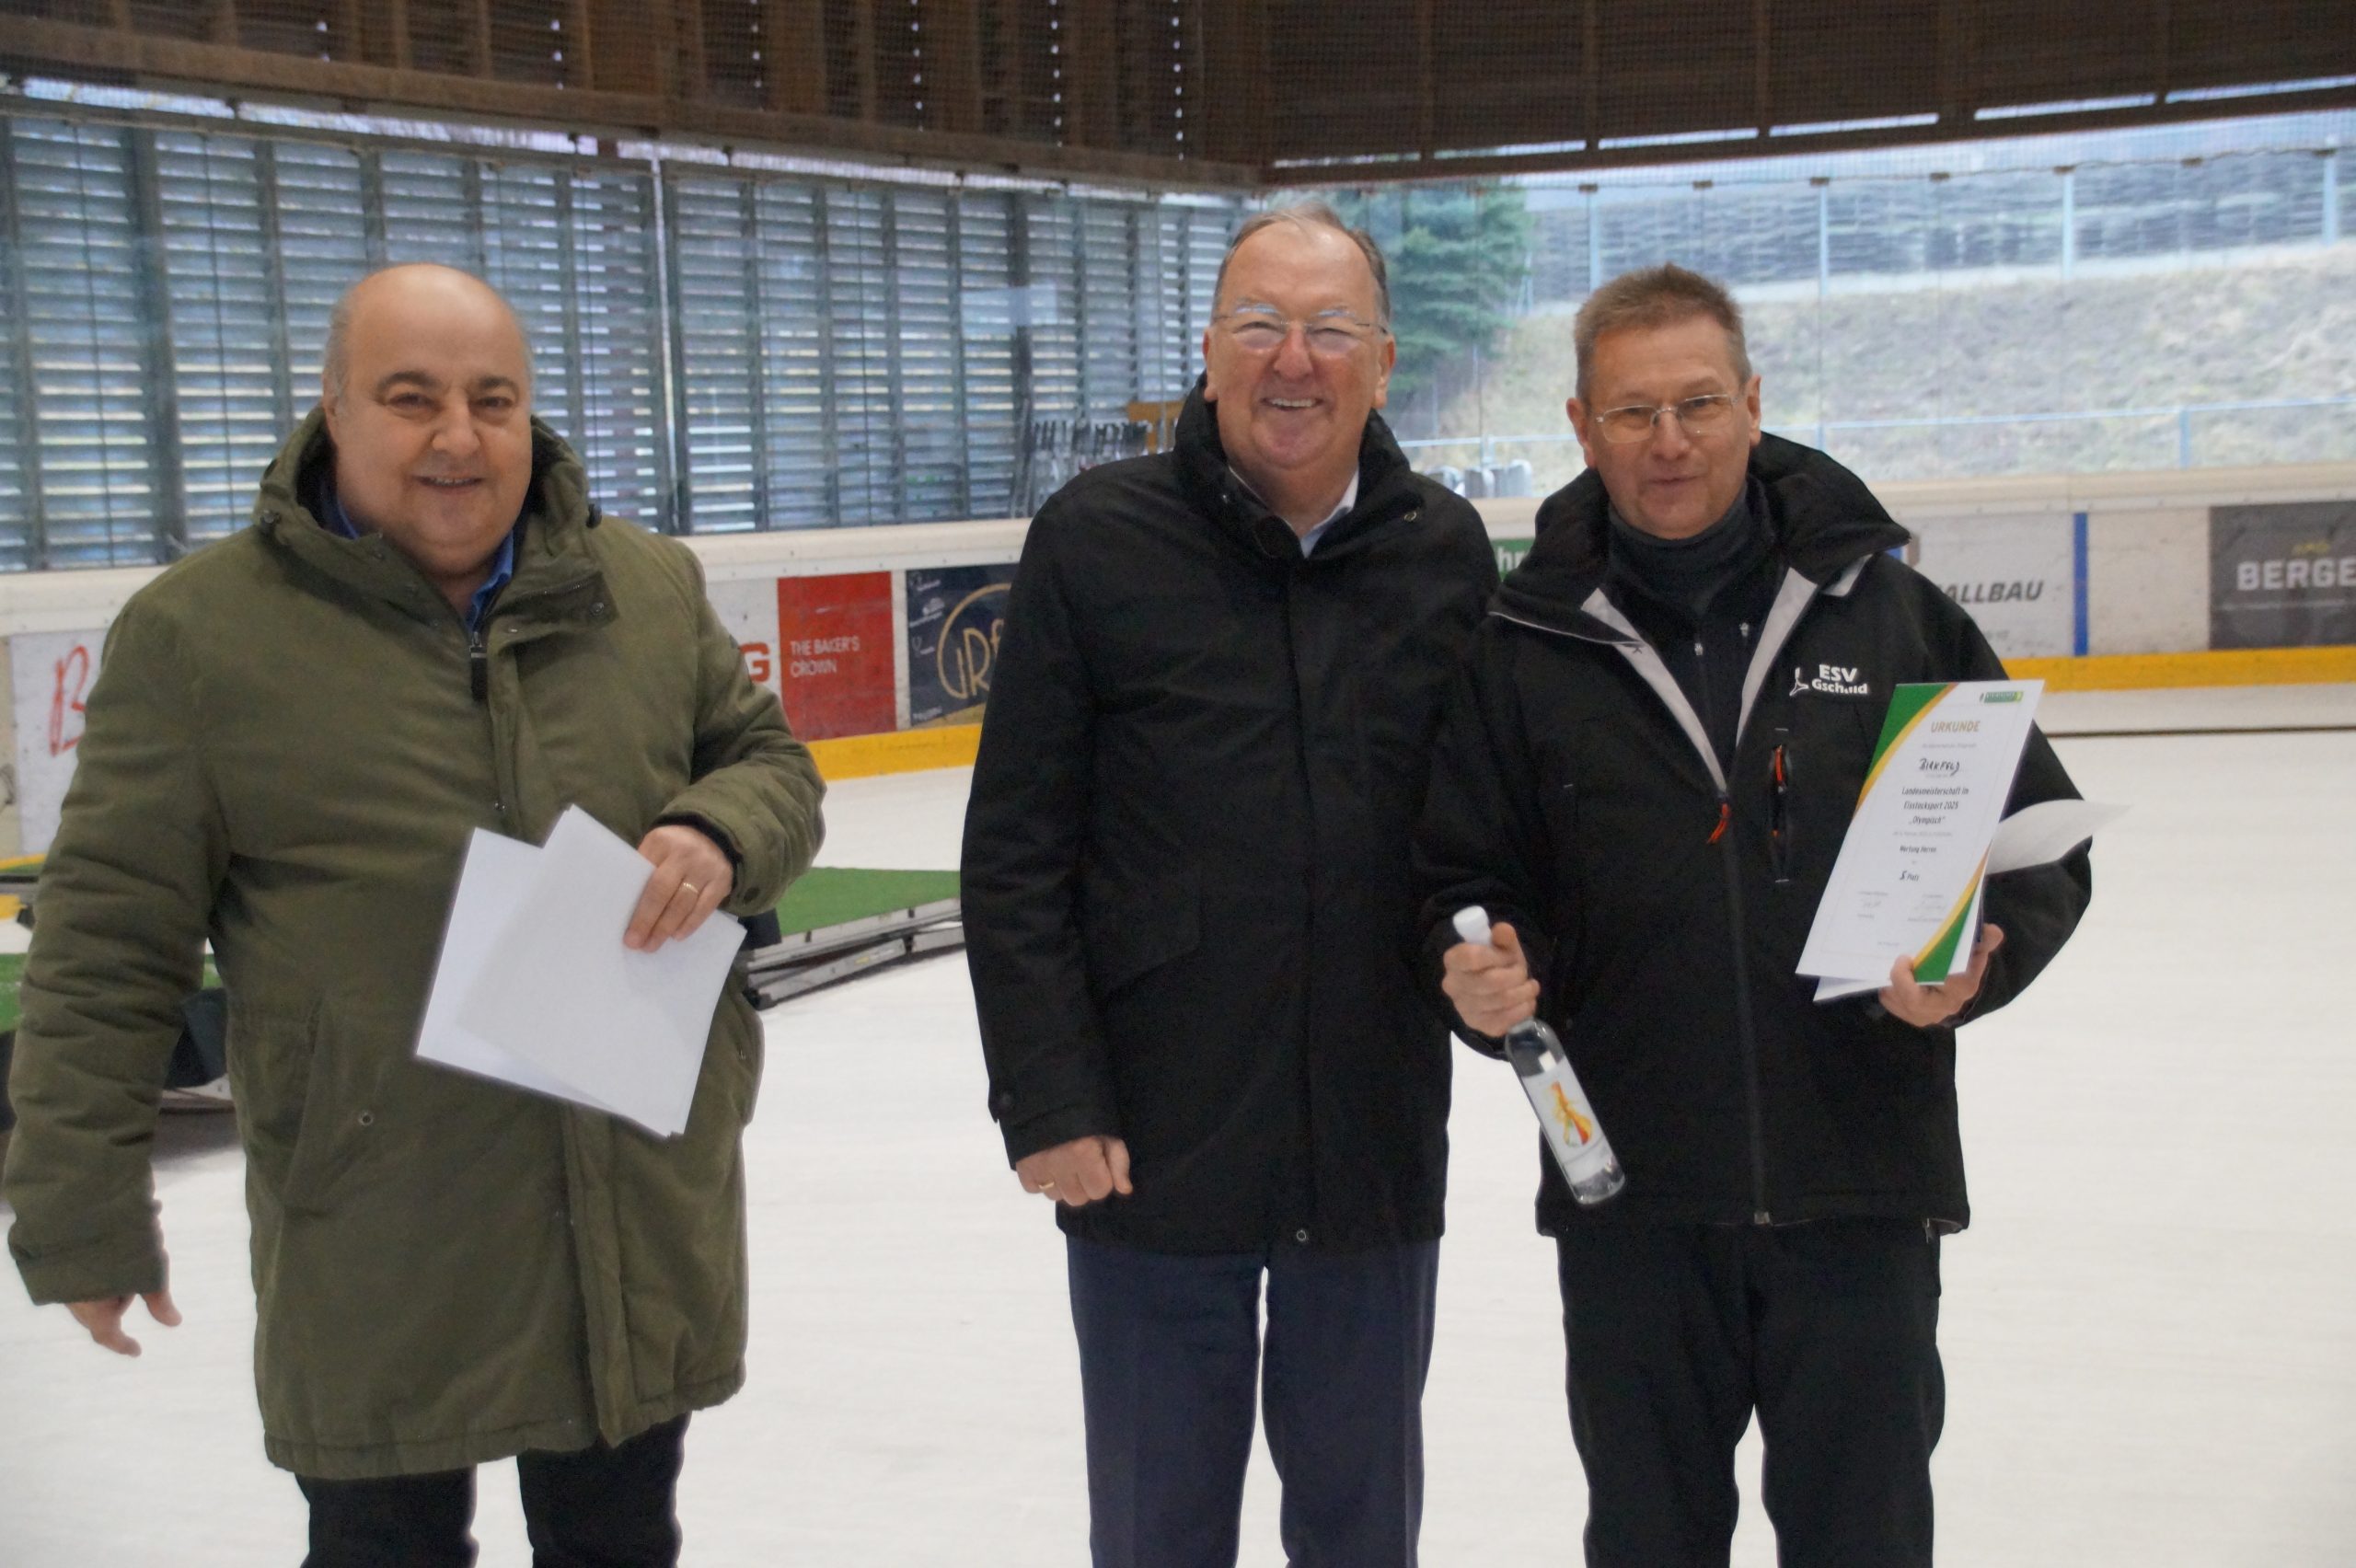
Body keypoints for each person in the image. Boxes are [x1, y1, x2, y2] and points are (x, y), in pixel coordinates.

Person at [2, 262, 825, 1565]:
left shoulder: (643, 588)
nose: (459, 436)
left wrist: (722, 831)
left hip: (624, 1214)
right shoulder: (200, 639)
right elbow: (107, 948)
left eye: (493, 400)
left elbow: (771, 764)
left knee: (620, 1539)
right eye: (410, 397)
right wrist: (81, 1216)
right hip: (376, 1232)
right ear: (334, 408)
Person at [1416, 262, 2094, 1567]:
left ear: (1753, 404)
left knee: (1864, 1540)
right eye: (1633, 412)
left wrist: (1981, 957)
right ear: (1581, 426)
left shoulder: (1893, 618)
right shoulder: (1524, 645)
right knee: (1649, 1540)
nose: (1668, 441)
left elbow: (2033, 846)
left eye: (1699, 403)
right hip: (1633, 1204)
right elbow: (1462, 879)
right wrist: (1479, 971)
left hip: (1861, 1189)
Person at [960, 202, 1496, 1568]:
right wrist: (1049, 1097)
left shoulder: (1441, 552)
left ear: (1384, 362)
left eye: (1331, 330)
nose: (1292, 359)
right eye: (1259, 325)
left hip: (1368, 1140)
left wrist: (1493, 955)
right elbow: (1017, 850)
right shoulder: (1097, 540)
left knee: (1363, 1530)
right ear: (1208, 353)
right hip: (1149, 1146)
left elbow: (1477, 829)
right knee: (1159, 1531)